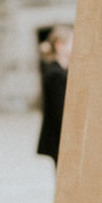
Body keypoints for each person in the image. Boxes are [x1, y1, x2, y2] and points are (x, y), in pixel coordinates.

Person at [37, 24, 72, 165]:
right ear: (60, 46)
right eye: (71, 42)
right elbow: (59, 109)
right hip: (59, 138)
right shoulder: (55, 73)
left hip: (60, 137)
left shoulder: (62, 71)